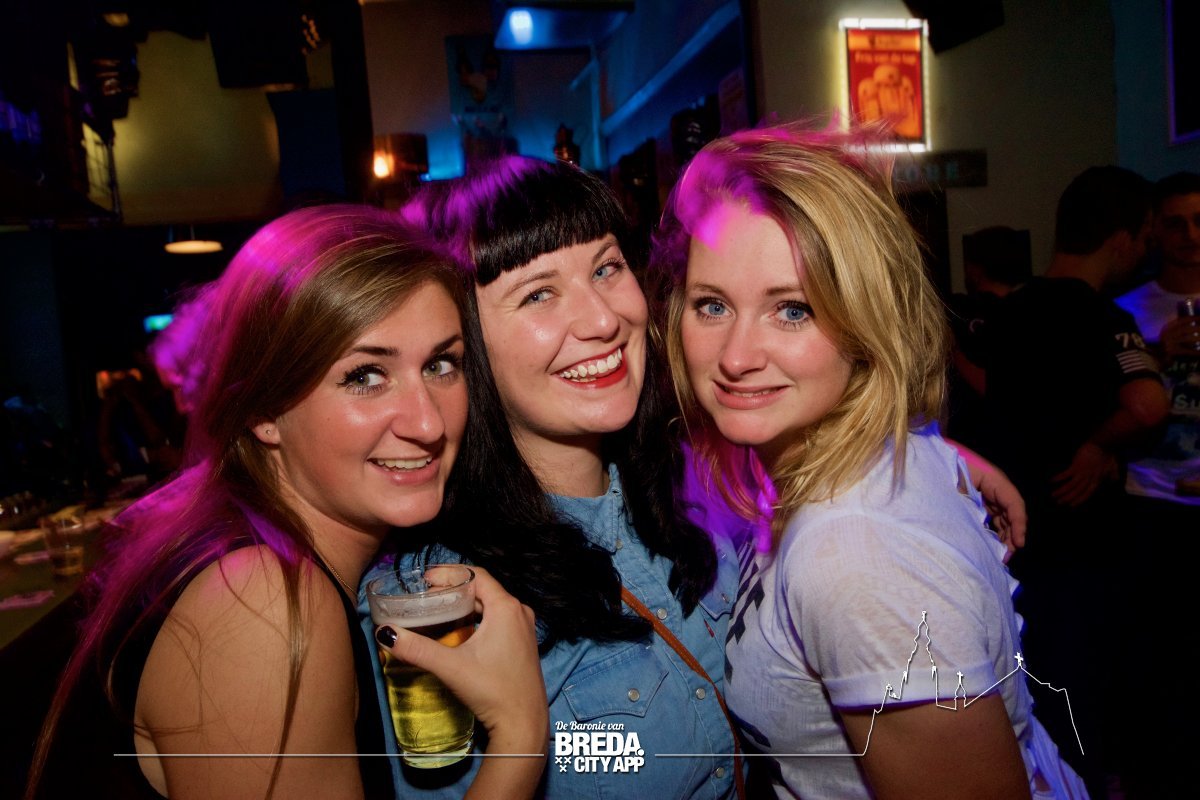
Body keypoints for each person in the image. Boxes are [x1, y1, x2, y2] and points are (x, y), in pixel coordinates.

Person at [27, 205, 547, 800]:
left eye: (440, 364)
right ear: (263, 409)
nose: (428, 423)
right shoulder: (261, 606)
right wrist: (520, 733)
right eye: (364, 376)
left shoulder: (240, 539)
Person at [652, 123, 1086, 798]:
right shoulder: (851, 453)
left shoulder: (852, 558)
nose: (735, 357)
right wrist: (948, 453)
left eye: (792, 311)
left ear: (864, 320)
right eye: (713, 305)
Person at [363, 156, 746, 799]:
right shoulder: (439, 600)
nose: (602, 320)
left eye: (606, 268)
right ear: (459, 342)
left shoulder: (697, 485)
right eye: (539, 293)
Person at [984, 166, 1169, 794]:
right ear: (1123, 238)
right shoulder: (1105, 316)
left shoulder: (1009, 313)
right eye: (1146, 236)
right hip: (1089, 543)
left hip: (1021, 543)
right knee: (1097, 697)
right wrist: (1099, 444)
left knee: (1043, 705)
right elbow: (1148, 405)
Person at [1112, 170, 1200, 798]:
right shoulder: (1128, 309)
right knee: (1160, 656)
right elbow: (1112, 409)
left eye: (1199, 221)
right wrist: (1159, 356)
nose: (1190, 235)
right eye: (1175, 222)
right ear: (1154, 232)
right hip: (1150, 503)